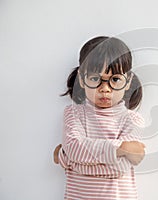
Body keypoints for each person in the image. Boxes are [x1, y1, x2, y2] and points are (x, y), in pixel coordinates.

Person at [53, 36, 146, 200]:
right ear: (82, 79)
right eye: (95, 79)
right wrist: (120, 149)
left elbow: (120, 168)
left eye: (115, 79)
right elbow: (74, 148)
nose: (105, 89)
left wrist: (70, 161)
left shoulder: (133, 120)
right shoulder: (73, 114)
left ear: (128, 81)